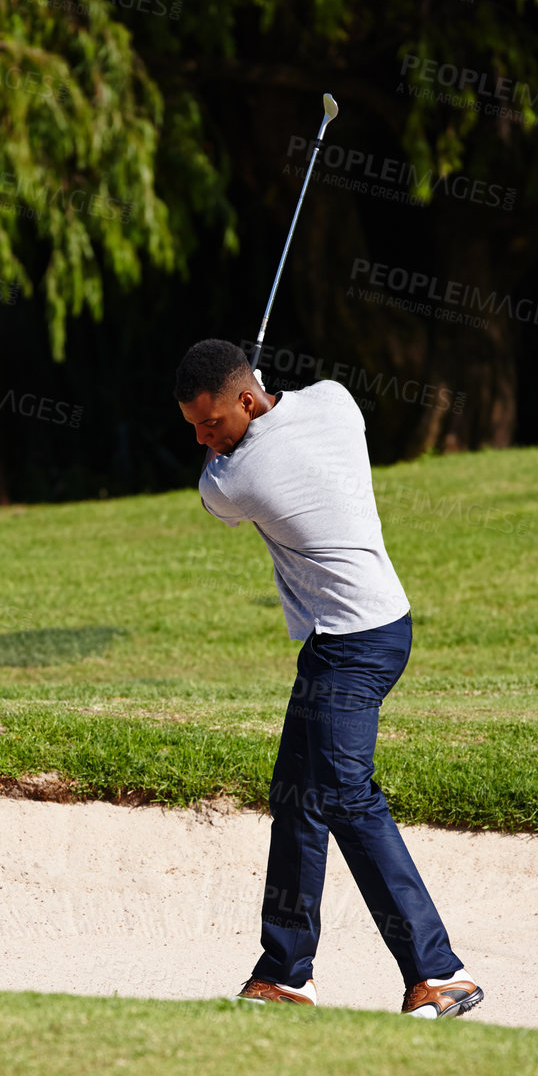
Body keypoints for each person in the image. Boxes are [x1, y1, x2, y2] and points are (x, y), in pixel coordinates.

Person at [175, 338, 483, 1019]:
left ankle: (440, 971)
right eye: (193, 425)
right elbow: (296, 408)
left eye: (211, 423)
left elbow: (213, 487)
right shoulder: (337, 404)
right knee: (297, 797)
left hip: (354, 646)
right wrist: (255, 407)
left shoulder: (232, 481)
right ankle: (286, 971)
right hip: (367, 631)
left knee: (346, 796)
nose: (202, 437)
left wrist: (228, 443)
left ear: (247, 400)